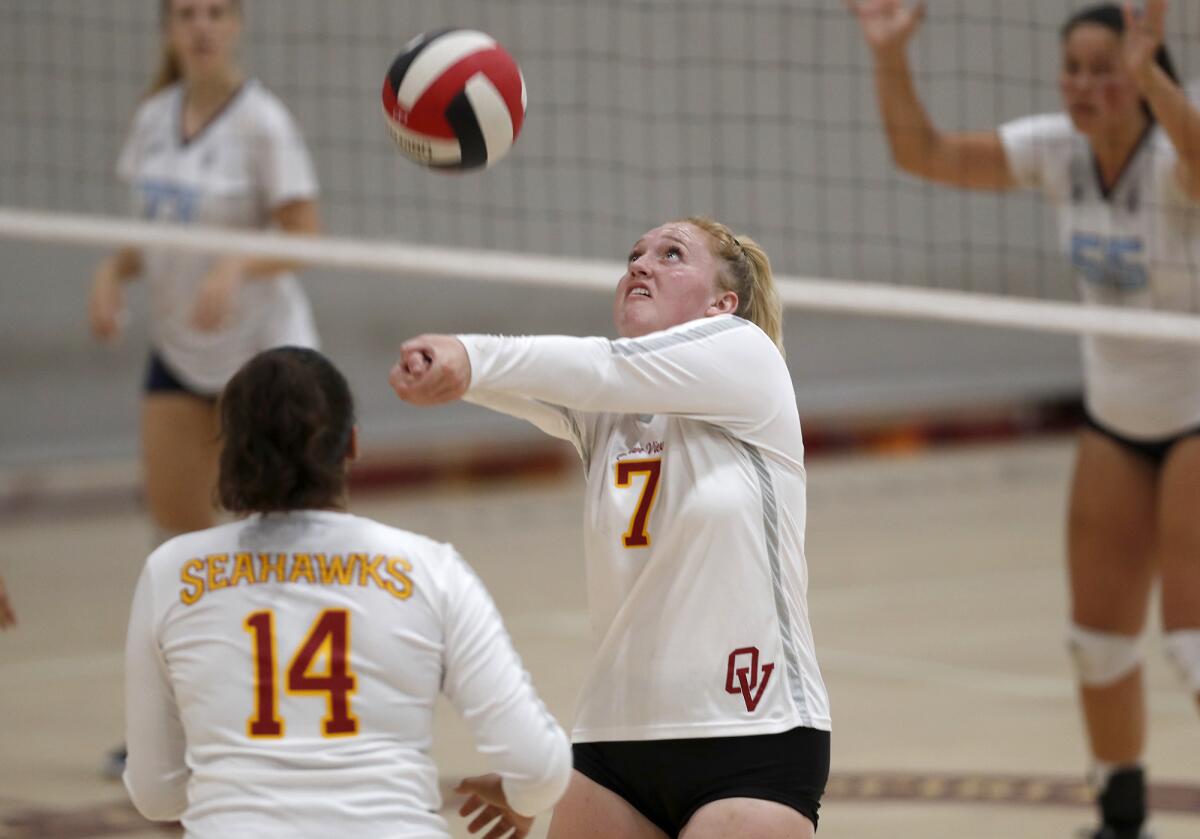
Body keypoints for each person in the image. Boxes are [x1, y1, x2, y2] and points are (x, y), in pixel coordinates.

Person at [846, 2, 1200, 837]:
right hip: (1116, 420)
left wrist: (1152, 82)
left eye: (1103, 68)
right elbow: (921, 153)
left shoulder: (1169, 162)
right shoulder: (1057, 151)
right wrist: (891, 55)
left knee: (1192, 647)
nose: (1083, 84)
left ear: (1144, 73)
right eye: (1071, 66)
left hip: (1196, 417)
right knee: (1095, 641)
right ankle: (1121, 816)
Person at [390, 216, 831, 839]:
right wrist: (457, 373)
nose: (640, 266)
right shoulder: (610, 414)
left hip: (751, 734)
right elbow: (544, 380)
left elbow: (598, 368)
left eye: (671, 254)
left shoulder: (745, 354)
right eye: (634, 255)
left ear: (721, 303)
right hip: (615, 742)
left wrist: (471, 352)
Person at [123, 346, 571, 838]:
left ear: (228, 453)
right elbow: (540, 768)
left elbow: (155, 793)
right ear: (352, 445)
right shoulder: (428, 568)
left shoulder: (171, 572)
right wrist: (521, 795)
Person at [88, 0, 321, 545]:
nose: (202, 26)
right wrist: (110, 270)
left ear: (236, 26)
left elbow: (306, 239)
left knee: (283, 536)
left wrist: (236, 263)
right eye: (188, 14)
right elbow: (154, 235)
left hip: (264, 352)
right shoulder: (152, 118)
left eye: (216, 13)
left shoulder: (264, 121)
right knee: (175, 541)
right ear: (169, 29)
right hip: (179, 349)